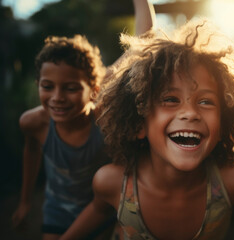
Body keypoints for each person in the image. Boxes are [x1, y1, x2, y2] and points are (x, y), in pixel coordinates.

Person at [60, 19, 234, 240]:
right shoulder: (112, 182)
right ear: (139, 124)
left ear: (224, 123)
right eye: (170, 99)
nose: (190, 113)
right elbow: (98, 212)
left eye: (206, 101)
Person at [11, 1, 155, 239]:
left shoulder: (105, 118)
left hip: (104, 210)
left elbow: (142, 45)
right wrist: (25, 201)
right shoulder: (32, 123)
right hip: (57, 212)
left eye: (70, 88)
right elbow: (32, 152)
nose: (57, 98)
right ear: (39, 85)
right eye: (48, 86)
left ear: (95, 90)